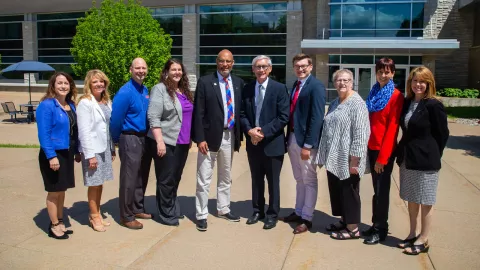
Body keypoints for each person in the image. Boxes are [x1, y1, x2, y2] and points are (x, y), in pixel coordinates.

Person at [396, 66, 449, 255]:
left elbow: (442, 134)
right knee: (412, 199)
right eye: (415, 80)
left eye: (422, 81)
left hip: (426, 161)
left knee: (426, 200)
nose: (418, 84)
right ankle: (412, 233)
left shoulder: (434, 105)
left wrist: (433, 153)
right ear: (410, 83)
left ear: (429, 84)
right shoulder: (408, 102)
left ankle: (424, 239)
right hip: (408, 159)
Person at [192, 49, 244, 231]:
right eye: (222, 61)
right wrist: (200, 139)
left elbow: (240, 111)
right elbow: (198, 112)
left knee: (225, 176)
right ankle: (201, 214)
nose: (225, 65)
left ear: (233, 62)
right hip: (209, 138)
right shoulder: (206, 82)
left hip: (229, 136)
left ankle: (223, 208)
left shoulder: (238, 83)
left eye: (228, 61)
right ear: (217, 62)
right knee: (204, 178)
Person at [316, 69, 370, 240]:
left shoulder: (357, 103)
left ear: (352, 83)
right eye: (339, 80)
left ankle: (353, 228)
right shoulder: (334, 103)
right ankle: (344, 220)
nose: (342, 83)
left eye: (346, 80)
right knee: (338, 192)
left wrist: (355, 160)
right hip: (335, 158)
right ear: (334, 83)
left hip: (349, 159)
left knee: (349, 193)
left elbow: (362, 133)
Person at [240, 55, 289, 230]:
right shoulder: (247, 89)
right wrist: (250, 131)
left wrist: (262, 132)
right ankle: (257, 211)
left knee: (273, 182)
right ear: (253, 69)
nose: (261, 70)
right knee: (256, 180)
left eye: (264, 67)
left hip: (272, 144)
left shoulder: (280, 88)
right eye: (257, 67)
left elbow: (283, 116)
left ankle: (272, 214)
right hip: (253, 143)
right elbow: (242, 114)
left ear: (270, 69)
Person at [280, 53, 326, 234]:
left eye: (304, 66)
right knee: (299, 179)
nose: (300, 69)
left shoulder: (316, 86)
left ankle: (307, 218)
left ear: (311, 67)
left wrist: (308, 145)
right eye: (297, 66)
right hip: (292, 138)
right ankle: (298, 211)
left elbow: (316, 118)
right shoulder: (296, 85)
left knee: (309, 180)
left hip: (305, 142)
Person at [146, 59, 193, 226]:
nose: (177, 72)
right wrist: (159, 142)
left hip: (182, 142)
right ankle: (165, 214)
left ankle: (171, 207)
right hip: (165, 141)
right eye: (173, 69)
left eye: (179, 69)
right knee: (166, 178)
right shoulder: (160, 89)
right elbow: (153, 117)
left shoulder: (184, 90)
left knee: (175, 177)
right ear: (166, 72)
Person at [363, 58, 405, 245]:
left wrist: (383, 158)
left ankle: (381, 230)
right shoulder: (374, 92)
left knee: (381, 192)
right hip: (371, 148)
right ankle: (375, 224)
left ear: (393, 73)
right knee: (375, 191)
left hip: (383, 152)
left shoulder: (396, 96)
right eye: (380, 71)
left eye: (387, 72)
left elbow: (392, 129)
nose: (383, 75)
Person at [110, 58, 152, 230]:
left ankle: (137, 208)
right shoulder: (125, 92)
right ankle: (126, 216)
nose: (141, 71)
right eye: (137, 68)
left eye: (143, 68)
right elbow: (115, 120)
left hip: (143, 137)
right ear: (131, 70)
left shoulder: (145, 90)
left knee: (141, 176)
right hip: (129, 137)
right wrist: (115, 140)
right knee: (129, 178)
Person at [37, 72, 80, 239]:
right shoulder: (47, 105)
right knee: (54, 191)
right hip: (54, 154)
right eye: (60, 83)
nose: (63, 86)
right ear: (53, 86)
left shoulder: (70, 105)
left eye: (66, 83)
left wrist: (76, 151)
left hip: (67, 152)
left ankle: (60, 220)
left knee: (62, 190)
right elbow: (43, 134)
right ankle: (54, 225)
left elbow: (74, 132)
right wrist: (51, 156)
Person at [77, 70, 115, 232]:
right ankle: (94, 217)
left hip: (104, 147)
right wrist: (89, 155)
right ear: (89, 84)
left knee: (100, 183)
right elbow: (84, 131)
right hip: (92, 150)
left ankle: (97, 212)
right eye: (95, 82)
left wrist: (112, 148)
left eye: (101, 81)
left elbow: (107, 128)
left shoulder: (106, 101)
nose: (99, 84)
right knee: (94, 183)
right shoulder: (85, 102)